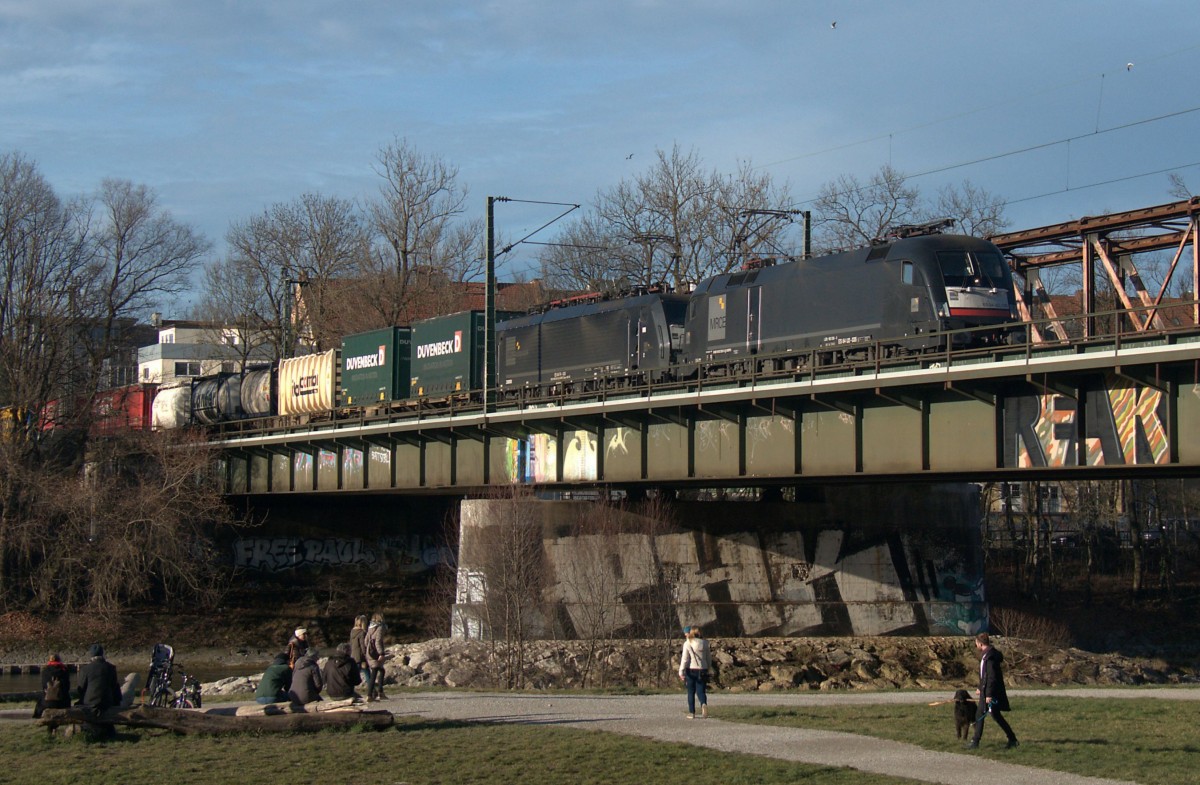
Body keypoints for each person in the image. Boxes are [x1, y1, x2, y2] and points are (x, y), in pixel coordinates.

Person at [965, 632, 1019, 749]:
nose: (976, 646)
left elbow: (991, 677)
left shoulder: (989, 657)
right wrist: (980, 687)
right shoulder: (987, 655)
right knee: (995, 715)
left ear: (979, 643)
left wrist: (988, 694)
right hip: (986, 690)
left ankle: (975, 741)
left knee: (980, 714)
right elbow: (984, 675)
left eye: (976, 643)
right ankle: (1012, 738)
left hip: (990, 692)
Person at [76, 643, 122, 738]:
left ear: (91, 655)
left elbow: (81, 688)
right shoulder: (111, 668)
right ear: (102, 654)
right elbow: (114, 686)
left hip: (90, 702)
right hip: (107, 701)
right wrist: (117, 700)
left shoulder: (85, 669)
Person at [678, 625, 711, 719]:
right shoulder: (705, 643)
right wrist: (708, 667)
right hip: (703, 669)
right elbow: (708, 658)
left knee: (691, 691)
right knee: (701, 690)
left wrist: (681, 671)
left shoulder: (688, 643)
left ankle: (692, 712)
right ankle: (703, 704)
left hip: (691, 669)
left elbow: (685, 659)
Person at [32, 652, 71, 719]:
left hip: (47, 702)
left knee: (40, 700)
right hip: (62, 702)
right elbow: (67, 687)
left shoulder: (45, 671)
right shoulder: (64, 670)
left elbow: (44, 686)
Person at [364, 612, 388, 702]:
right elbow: (378, 641)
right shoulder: (380, 628)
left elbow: (366, 641)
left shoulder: (370, 627)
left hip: (369, 652)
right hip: (376, 653)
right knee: (375, 673)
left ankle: (379, 692)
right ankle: (370, 694)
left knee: (380, 671)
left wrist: (367, 650)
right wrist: (381, 653)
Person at [349, 615, 368, 685]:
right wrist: (365, 654)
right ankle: (371, 691)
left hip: (353, 654)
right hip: (361, 656)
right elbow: (363, 645)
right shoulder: (362, 633)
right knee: (367, 672)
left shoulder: (352, 631)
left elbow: (351, 643)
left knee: (355, 673)